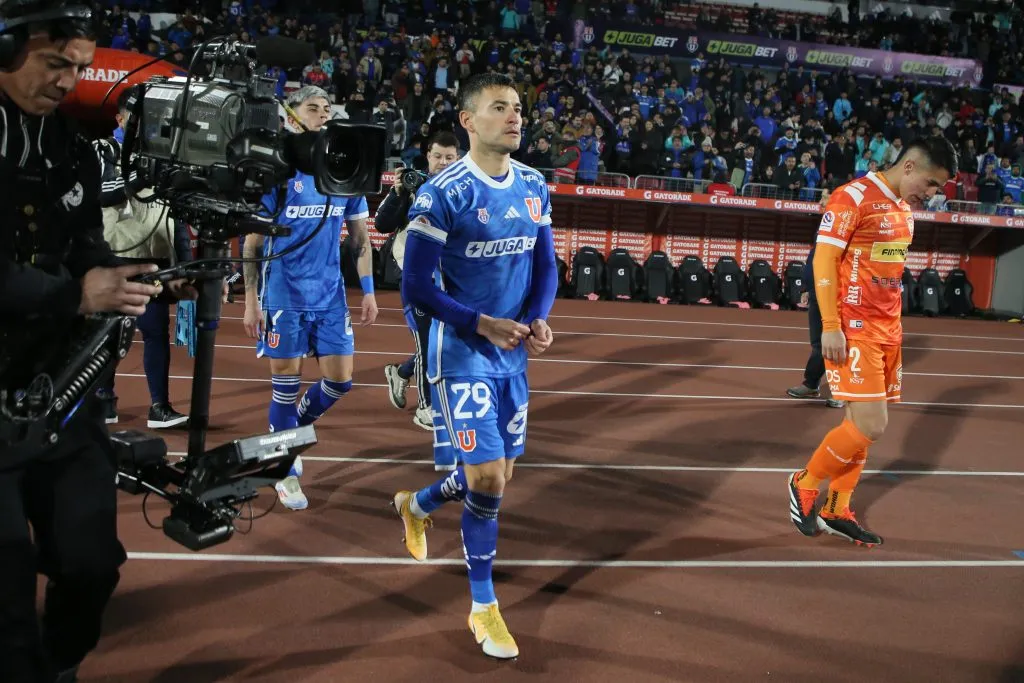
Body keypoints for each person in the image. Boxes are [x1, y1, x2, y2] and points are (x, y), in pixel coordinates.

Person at [0, 4, 191, 681]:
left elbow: (84, 248)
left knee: (91, 564)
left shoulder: (70, 146)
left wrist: (126, 280)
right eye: (57, 64)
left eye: (79, 68)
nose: (69, 81)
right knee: (6, 585)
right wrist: (75, 294)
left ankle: (56, 665)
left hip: (56, 391)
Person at [391, 73, 558, 660]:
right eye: (498, 107)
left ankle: (417, 504)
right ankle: (483, 607)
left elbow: (547, 267)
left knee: (498, 476)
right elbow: (413, 285)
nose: (514, 117)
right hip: (461, 351)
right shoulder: (442, 193)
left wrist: (537, 317)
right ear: (468, 120)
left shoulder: (535, 185)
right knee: (488, 481)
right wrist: (478, 322)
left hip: (511, 354)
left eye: (518, 107)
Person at [788, 137, 958, 548]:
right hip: (854, 327)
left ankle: (837, 506)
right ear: (911, 167)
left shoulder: (903, 208)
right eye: (932, 185)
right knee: (872, 424)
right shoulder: (853, 197)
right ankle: (805, 482)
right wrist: (830, 325)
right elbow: (824, 260)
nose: (932, 196)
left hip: (888, 330)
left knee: (858, 427)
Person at [241, 85, 379, 511]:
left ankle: (286, 434)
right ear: (291, 116)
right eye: (312, 108)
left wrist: (369, 291)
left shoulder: (345, 171)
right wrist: (251, 300)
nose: (322, 114)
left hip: (331, 296)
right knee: (285, 387)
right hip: (284, 295)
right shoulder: (278, 174)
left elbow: (360, 240)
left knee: (340, 381)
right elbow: (251, 245)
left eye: (325, 108)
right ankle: (284, 471)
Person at [92, 87, 189, 429]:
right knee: (108, 335)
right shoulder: (103, 150)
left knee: (155, 334)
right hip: (115, 258)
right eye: (137, 116)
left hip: (155, 261)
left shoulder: (164, 155)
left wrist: (182, 264)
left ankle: (160, 407)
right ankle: (104, 400)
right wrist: (141, 175)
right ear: (120, 119)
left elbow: (173, 215)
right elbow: (98, 196)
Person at [376, 132, 459, 436]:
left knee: (447, 340)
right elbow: (382, 224)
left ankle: (401, 372)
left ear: (458, 159)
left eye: (450, 158)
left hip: (452, 277)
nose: (443, 163)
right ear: (427, 156)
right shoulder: (412, 185)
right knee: (427, 340)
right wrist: (398, 192)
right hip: (415, 275)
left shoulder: (464, 189)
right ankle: (427, 407)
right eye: (438, 157)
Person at [786, 244, 845, 409]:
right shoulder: (825, 227)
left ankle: (842, 390)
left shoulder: (848, 226)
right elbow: (814, 257)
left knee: (840, 344)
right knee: (818, 344)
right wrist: (806, 288)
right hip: (817, 293)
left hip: (840, 295)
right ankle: (811, 384)